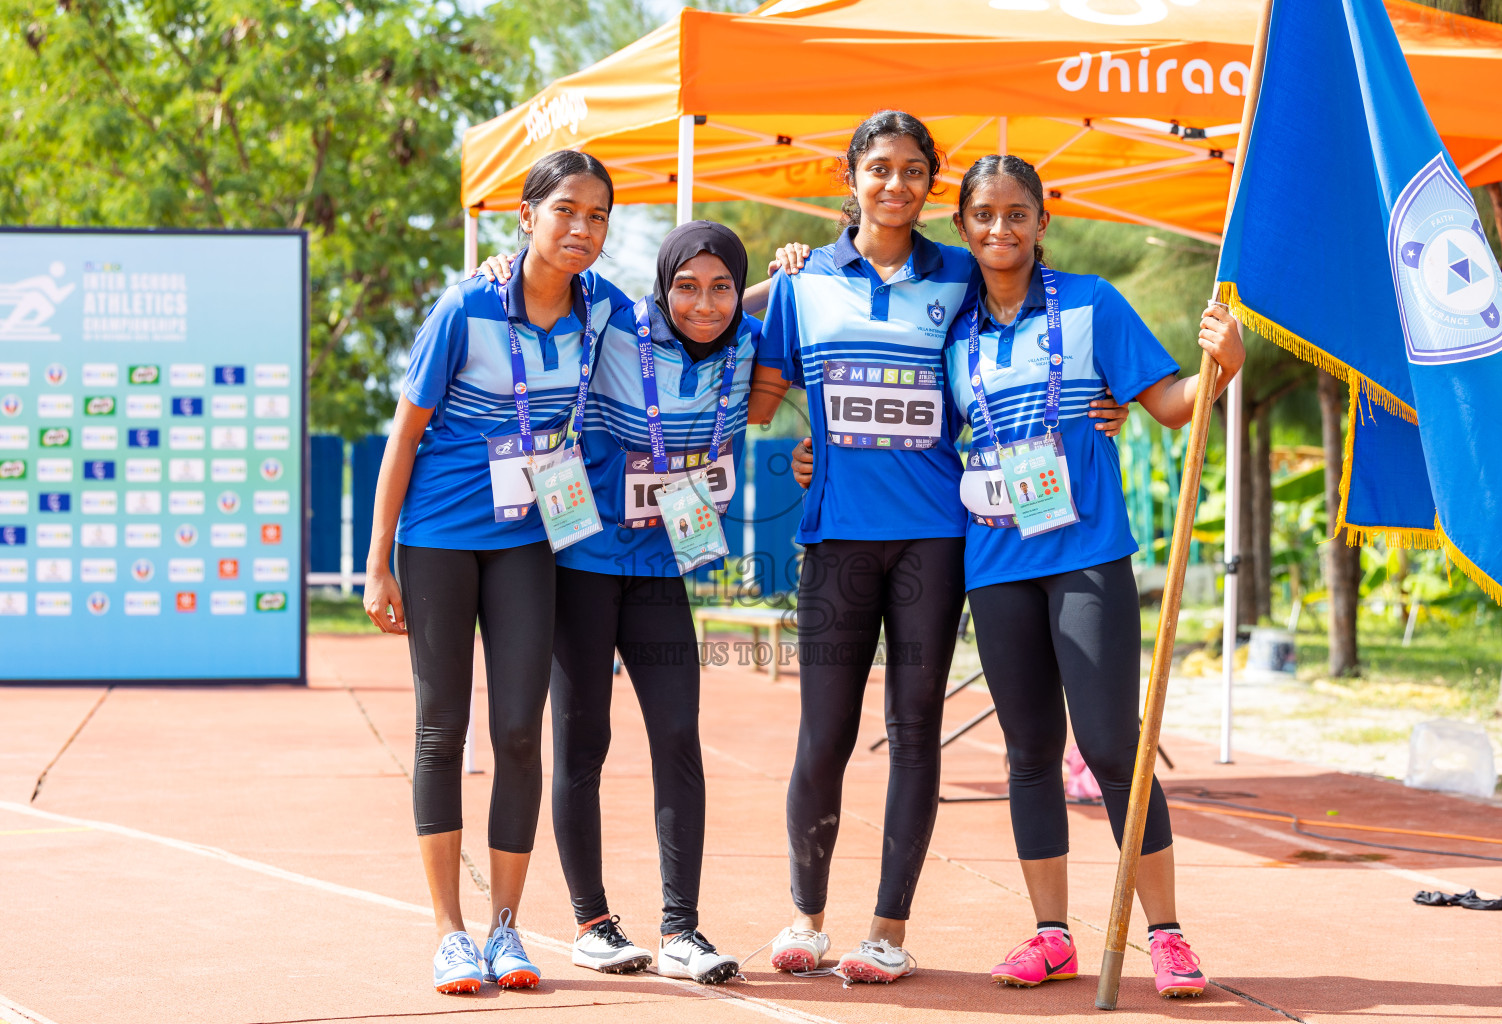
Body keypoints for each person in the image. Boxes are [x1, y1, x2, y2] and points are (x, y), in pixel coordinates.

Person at [816, 153, 1240, 998]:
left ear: (1044, 221)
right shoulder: (950, 324)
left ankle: (1167, 934)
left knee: (1114, 745)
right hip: (994, 560)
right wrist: (810, 453)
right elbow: (904, 422)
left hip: (1084, 554)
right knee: (1029, 754)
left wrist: (1220, 365)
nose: (999, 230)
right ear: (961, 226)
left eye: (1017, 214)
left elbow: (1170, 406)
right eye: (982, 216)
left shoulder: (1091, 305)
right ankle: (1051, 935)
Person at [747, 110, 1106, 985]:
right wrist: (769, 288)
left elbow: (1035, 333)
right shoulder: (802, 285)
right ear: (851, 177)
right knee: (823, 735)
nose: (896, 185)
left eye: (914, 171)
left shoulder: (961, 272)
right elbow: (757, 398)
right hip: (834, 538)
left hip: (937, 543)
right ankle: (805, 918)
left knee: (916, 734)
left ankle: (886, 931)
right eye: (880, 169)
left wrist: (1103, 400)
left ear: (933, 188)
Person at [361, 150, 628, 995]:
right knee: (443, 729)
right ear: (528, 215)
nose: (581, 228)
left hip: (527, 543)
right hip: (439, 541)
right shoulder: (465, 306)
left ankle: (507, 930)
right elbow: (403, 437)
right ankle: (449, 933)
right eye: (566, 212)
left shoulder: (605, 311)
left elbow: (708, 310)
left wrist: (800, 262)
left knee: (519, 732)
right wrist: (377, 566)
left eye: (597, 216)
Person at [479, 221, 759, 985]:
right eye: (686, 286)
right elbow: (549, 278)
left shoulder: (749, 341)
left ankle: (682, 930)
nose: (704, 303)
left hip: (662, 567)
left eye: (722, 286)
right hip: (583, 561)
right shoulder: (614, 324)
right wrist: (508, 263)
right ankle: (592, 923)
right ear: (661, 286)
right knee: (584, 744)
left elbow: (795, 313)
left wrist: (792, 267)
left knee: (678, 737)